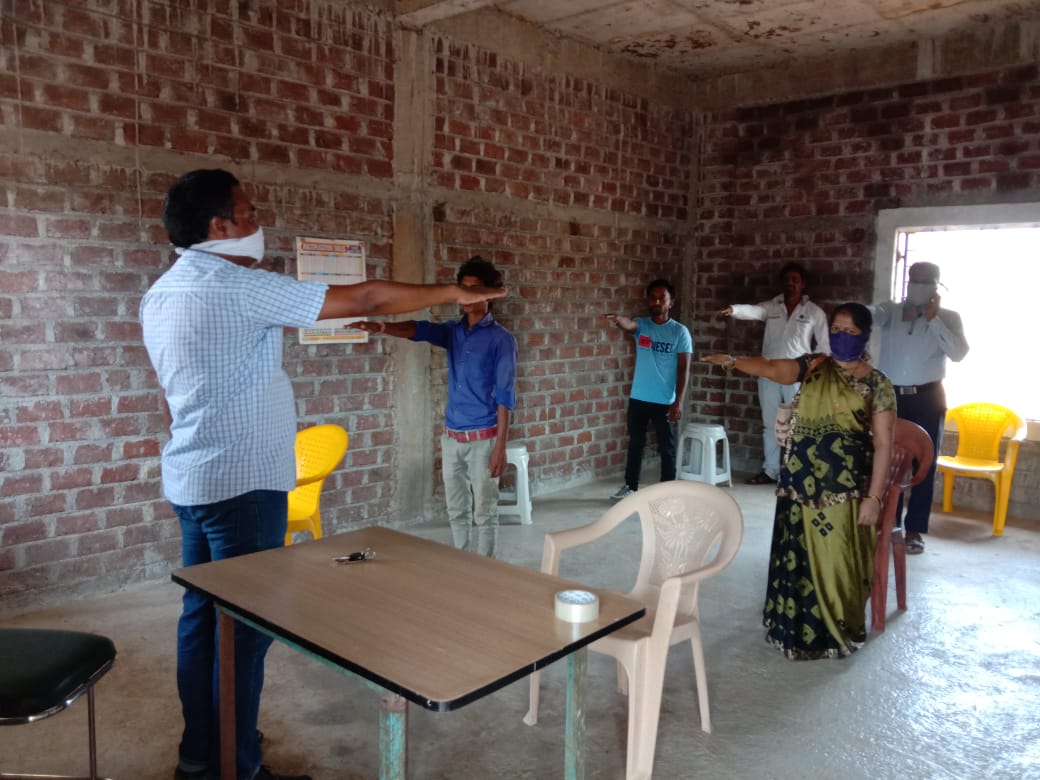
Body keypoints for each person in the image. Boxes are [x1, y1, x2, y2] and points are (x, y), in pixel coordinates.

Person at [140, 169, 505, 780]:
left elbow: (170, 392)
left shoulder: (161, 293)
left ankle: (202, 758)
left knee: (202, 622)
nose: (258, 224)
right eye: (249, 213)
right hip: (244, 487)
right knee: (245, 632)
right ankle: (238, 768)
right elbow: (362, 300)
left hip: (193, 480)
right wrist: (453, 292)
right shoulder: (235, 286)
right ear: (219, 226)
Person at [704, 303, 896, 660]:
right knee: (797, 557)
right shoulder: (815, 365)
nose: (841, 337)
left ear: (866, 336)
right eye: (836, 329)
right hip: (801, 481)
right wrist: (734, 361)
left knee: (837, 561)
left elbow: (884, 444)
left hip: (846, 488)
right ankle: (791, 626)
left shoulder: (877, 384)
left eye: (850, 332)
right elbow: (776, 369)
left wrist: (874, 497)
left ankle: (835, 630)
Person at [355, 256, 518, 558]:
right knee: (456, 508)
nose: (466, 296)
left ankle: (485, 567)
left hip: (484, 440)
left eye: (475, 289)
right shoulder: (454, 332)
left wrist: (500, 447)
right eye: (463, 288)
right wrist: (381, 326)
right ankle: (461, 560)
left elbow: (505, 395)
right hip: (452, 437)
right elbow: (419, 330)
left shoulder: (501, 340)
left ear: (489, 294)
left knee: (484, 510)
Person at [870, 262, 968, 555]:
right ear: (907, 281)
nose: (919, 285)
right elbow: (870, 314)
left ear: (937, 285)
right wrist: (855, 312)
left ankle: (914, 530)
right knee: (888, 459)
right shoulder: (891, 312)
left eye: (926, 281)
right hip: (891, 397)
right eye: (914, 279)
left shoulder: (950, 317)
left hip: (928, 396)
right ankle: (889, 523)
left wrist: (933, 318)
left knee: (924, 462)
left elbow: (959, 353)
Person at [717, 262, 829, 485]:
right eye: (787, 280)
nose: (790, 284)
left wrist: (811, 368)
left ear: (803, 284)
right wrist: (735, 310)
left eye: (795, 280)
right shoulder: (772, 306)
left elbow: (825, 347)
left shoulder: (814, 312)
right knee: (770, 424)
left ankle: (795, 473)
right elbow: (755, 311)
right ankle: (770, 471)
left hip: (796, 376)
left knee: (796, 424)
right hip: (768, 373)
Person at [604, 279, 692, 503]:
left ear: (671, 303)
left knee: (666, 447)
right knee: (635, 444)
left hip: (664, 400)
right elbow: (629, 325)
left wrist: (678, 402)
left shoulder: (679, 333)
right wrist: (618, 320)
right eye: (652, 297)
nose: (656, 301)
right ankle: (630, 486)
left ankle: (667, 491)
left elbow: (684, 370)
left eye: (662, 298)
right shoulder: (642, 325)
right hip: (639, 398)